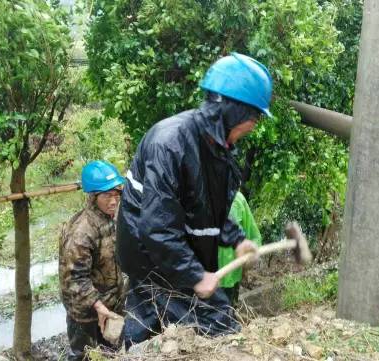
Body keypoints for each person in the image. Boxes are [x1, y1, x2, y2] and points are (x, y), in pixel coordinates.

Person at [116, 52, 272, 345]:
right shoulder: (170, 144)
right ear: (232, 112)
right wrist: (196, 275)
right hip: (153, 261)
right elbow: (157, 228)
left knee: (145, 329)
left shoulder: (217, 147)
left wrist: (237, 239)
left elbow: (209, 208)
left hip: (175, 255)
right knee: (222, 327)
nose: (254, 125)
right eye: (253, 117)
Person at [59, 160, 127, 360]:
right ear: (93, 196)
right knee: (83, 355)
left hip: (110, 305)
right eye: (107, 195)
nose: (114, 201)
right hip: (86, 313)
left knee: (112, 353)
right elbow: (75, 279)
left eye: (116, 194)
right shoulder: (81, 231)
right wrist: (99, 307)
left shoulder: (109, 219)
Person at [219, 191, 262, 304]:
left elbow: (254, 237)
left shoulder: (238, 199)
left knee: (227, 315)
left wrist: (248, 261)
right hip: (203, 280)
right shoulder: (196, 196)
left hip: (231, 279)